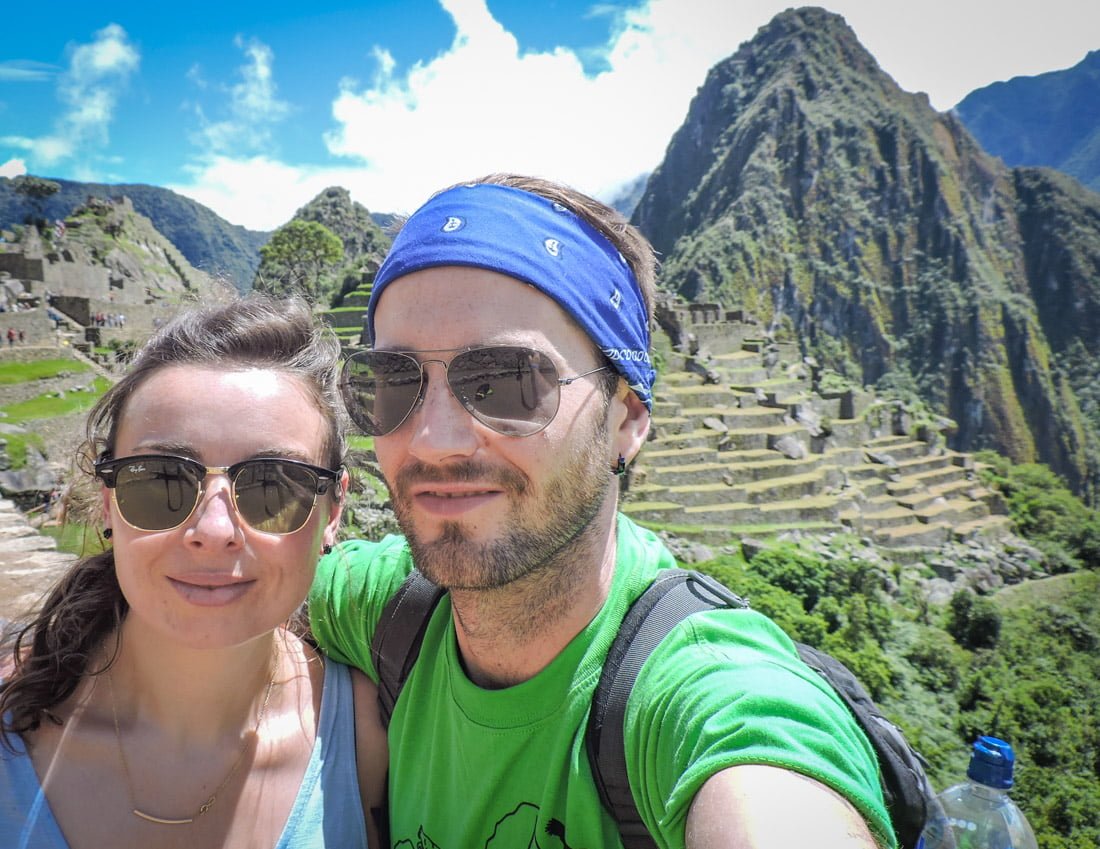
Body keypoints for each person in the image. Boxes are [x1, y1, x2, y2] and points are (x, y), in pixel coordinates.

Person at [310, 174, 896, 848]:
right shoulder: (382, 608)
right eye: (393, 383)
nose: (433, 440)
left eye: (505, 380)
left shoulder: (700, 691)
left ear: (626, 417)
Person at [1, 296, 387, 848]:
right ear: (108, 503)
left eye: (274, 484)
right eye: (160, 480)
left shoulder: (368, 737)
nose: (214, 528)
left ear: (333, 512)